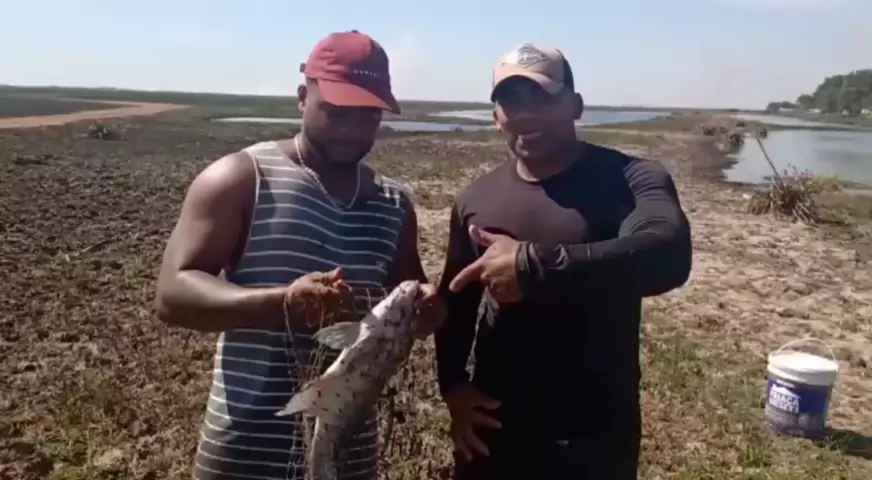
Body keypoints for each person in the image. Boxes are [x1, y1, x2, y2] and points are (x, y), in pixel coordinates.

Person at [154, 30, 445, 480]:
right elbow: (172, 295)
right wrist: (284, 303)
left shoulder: (393, 205)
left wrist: (429, 307)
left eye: (368, 115)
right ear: (302, 97)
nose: (351, 130)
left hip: (349, 454)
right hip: (244, 451)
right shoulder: (241, 179)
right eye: (336, 111)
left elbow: (417, 311)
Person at [434, 44, 693, 480]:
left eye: (542, 98)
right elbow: (456, 302)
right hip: (494, 427)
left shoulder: (630, 179)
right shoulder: (476, 198)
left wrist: (531, 265)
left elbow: (667, 253)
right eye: (510, 100)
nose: (525, 113)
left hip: (593, 435)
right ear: (495, 115)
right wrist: (453, 387)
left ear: (576, 106)